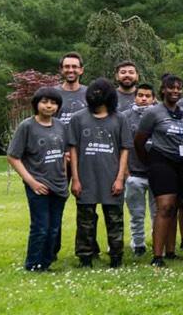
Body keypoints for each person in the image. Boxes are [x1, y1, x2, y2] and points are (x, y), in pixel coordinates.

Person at [65, 79, 128, 268]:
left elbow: (125, 149)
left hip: (111, 178)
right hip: (85, 178)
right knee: (85, 221)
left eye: (101, 92)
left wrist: (120, 178)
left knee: (115, 220)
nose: (96, 95)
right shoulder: (78, 118)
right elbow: (73, 149)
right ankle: (85, 257)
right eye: (94, 92)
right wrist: (75, 179)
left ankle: (116, 257)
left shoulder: (120, 119)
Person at [135, 75, 183, 267]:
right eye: (171, 88)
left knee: (176, 206)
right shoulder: (153, 112)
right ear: (163, 90)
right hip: (161, 161)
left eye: (179, 88)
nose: (175, 91)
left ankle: (171, 251)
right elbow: (139, 140)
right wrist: (150, 161)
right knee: (165, 206)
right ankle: (157, 255)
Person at [9, 88, 69, 271]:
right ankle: (33, 264)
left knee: (54, 228)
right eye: (44, 102)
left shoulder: (60, 126)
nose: (49, 105)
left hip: (59, 186)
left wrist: (65, 178)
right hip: (38, 186)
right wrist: (31, 181)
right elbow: (13, 156)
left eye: (53, 102)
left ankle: (46, 262)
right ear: (36, 104)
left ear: (58, 106)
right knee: (41, 226)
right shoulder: (26, 126)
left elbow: (63, 155)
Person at [121, 84, 157, 257]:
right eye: (140, 95)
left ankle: (159, 242)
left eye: (148, 96)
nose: (144, 98)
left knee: (158, 213)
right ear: (134, 97)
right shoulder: (125, 117)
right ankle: (138, 243)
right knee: (136, 213)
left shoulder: (160, 115)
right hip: (134, 173)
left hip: (157, 173)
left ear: (154, 98)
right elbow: (122, 146)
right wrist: (126, 172)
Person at [53, 52, 87, 126]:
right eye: (67, 67)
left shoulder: (89, 94)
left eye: (74, 66)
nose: (71, 70)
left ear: (81, 70)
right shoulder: (52, 94)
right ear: (61, 70)